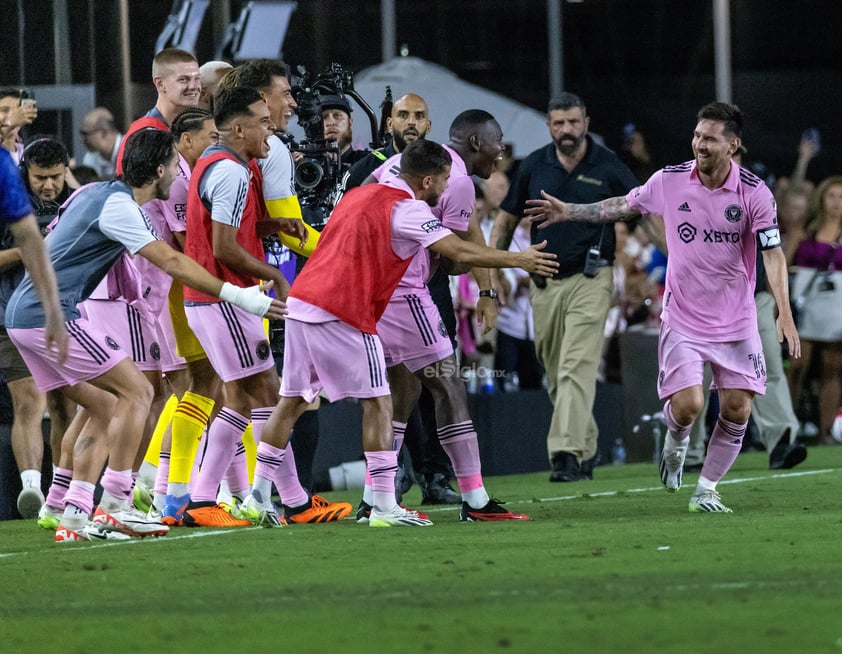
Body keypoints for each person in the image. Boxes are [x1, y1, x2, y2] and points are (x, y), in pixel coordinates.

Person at [240, 138, 557, 528]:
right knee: (382, 402)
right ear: (426, 180)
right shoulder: (405, 209)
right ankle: (385, 504)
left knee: (290, 402)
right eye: (442, 181)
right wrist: (519, 259)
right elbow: (460, 252)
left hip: (303, 303)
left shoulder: (361, 193)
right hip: (347, 309)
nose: (446, 189)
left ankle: (257, 497)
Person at [4, 128, 285, 542]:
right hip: (46, 316)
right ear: (158, 169)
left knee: (102, 404)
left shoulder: (96, 193)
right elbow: (171, 260)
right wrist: (241, 297)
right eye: (174, 164)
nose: (178, 172)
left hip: (24, 315)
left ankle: (74, 513)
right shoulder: (119, 206)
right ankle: (117, 504)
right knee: (139, 393)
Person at [526, 101, 800, 513]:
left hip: (737, 320)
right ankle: (675, 444)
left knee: (738, 407)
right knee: (688, 405)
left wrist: (784, 310)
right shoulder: (669, 181)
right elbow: (620, 206)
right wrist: (570, 212)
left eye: (709, 138)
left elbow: (773, 254)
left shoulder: (753, 192)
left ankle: (706, 489)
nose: (699, 144)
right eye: (697, 136)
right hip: (685, 318)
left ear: (732, 144)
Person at [180, 85, 348, 528]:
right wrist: (274, 275)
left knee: (240, 399)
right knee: (269, 396)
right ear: (238, 128)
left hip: (213, 299)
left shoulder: (218, 162)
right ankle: (289, 502)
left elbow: (221, 230)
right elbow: (223, 247)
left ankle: (219, 500)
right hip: (226, 299)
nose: (270, 134)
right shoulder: (232, 172)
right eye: (262, 123)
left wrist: (271, 223)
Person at [356, 110, 535, 522]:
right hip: (405, 291)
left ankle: (374, 496)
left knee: (400, 390)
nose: (501, 151)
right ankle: (476, 500)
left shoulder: (411, 161)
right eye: (497, 141)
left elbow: (360, 195)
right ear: (475, 143)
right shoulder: (454, 180)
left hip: (372, 289)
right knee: (449, 385)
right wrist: (517, 260)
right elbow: (454, 256)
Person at [491, 92, 639, 482]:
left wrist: (675, 257)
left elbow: (641, 207)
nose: (566, 130)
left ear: (586, 122)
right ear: (549, 126)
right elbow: (505, 222)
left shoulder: (606, 164)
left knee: (576, 366)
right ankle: (586, 444)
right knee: (555, 373)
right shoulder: (534, 165)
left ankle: (565, 455)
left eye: (573, 122)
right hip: (543, 281)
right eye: (559, 123)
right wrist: (494, 274)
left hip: (592, 277)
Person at [343, 93, 457, 505]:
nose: (411, 122)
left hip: (431, 287)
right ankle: (387, 480)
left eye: (419, 116)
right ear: (389, 121)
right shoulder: (366, 170)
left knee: (431, 384)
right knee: (383, 386)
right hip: (381, 292)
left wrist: (486, 288)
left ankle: (436, 475)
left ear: (429, 124)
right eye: (403, 115)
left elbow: (465, 234)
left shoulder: (448, 171)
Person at [0, 146, 68, 518]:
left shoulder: (73, 204)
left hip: (61, 316)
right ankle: (31, 489)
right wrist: (27, 250)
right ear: (26, 171)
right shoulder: (10, 203)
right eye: (40, 177)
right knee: (28, 401)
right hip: (7, 315)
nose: (48, 185)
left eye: (55, 176)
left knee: (65, 405)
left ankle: (63, 489)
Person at [788, 176, 842, 446]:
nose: (836, 202)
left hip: (837, 303)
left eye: (841, 197)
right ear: (822, 198)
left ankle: (826, 431)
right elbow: (784, 263)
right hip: (805, 301)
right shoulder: (806, 228)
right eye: (832, 195)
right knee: (797, 365)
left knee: (831, 367)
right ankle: (787, 426)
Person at [115, 47, 201, 175]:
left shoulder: (188, 132)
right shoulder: (143, 137)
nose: (194, 87)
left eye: (197, 79)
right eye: (183, 79)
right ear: (160, 84)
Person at [320, 94, 368, 172]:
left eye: (337, 116)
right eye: (324, 117)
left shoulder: (368, 163)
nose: (331, 122)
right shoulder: (303, 167)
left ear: (350, 121)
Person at [79, 107, 123, 179]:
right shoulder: (90, 158)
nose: (83, 140)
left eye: (85, 134)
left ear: (103, 133)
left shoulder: (131, 150)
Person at [0, 88, 38, 162]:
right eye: (4, 110)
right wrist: (11, 123)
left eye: (18, 111)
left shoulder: (28, 154)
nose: (14, 116)